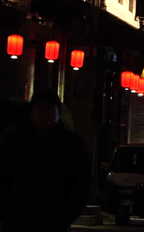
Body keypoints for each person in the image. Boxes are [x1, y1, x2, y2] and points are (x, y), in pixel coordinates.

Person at [0, 90, 92, 232]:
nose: (44, 114)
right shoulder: (14, 140)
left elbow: (81, 183)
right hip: (17, 219)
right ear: (31, 112)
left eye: (49, 109)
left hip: (55, 219)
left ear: (57, 112)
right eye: (40, 109)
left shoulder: (71, 144)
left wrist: (66, 215)